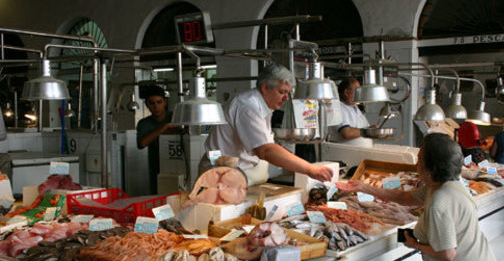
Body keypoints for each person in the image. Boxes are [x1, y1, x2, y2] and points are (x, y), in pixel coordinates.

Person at [336, 133, 504, 261]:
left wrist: (414, 244)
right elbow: (405, 197)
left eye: (420, 159)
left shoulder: (440, 201)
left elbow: (447, 254)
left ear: (431, 169)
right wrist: (364, 187)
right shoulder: (446, 185)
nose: (416, 164)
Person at [201, 63, 333, 185]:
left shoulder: (264, 106)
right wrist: (309, 168)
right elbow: (265, 150)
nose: (286, 98)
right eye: (282, 92)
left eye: (288, 93)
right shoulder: (247, 106)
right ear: (265, 87)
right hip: (219, 174)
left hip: (238, 172)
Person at [136, 85, 178, 194]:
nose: (156, 106)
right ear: (147, 105)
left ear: (165, 102)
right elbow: (142, 143)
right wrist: (163, 128)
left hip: (178, 164)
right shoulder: (144, 123)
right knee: (158, 196)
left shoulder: (175, 117)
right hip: (156, 167)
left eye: (159, 102)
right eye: (152, 103)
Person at [328, 76, 377, 146]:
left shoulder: (355, 107)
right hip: (344, 153)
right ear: (347, 92)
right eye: (357, 91)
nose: (360, 94)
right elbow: (347, 133)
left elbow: (366, 128)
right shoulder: (337, 107)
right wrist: (368, 131)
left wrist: (373, 129)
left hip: (362, 153)